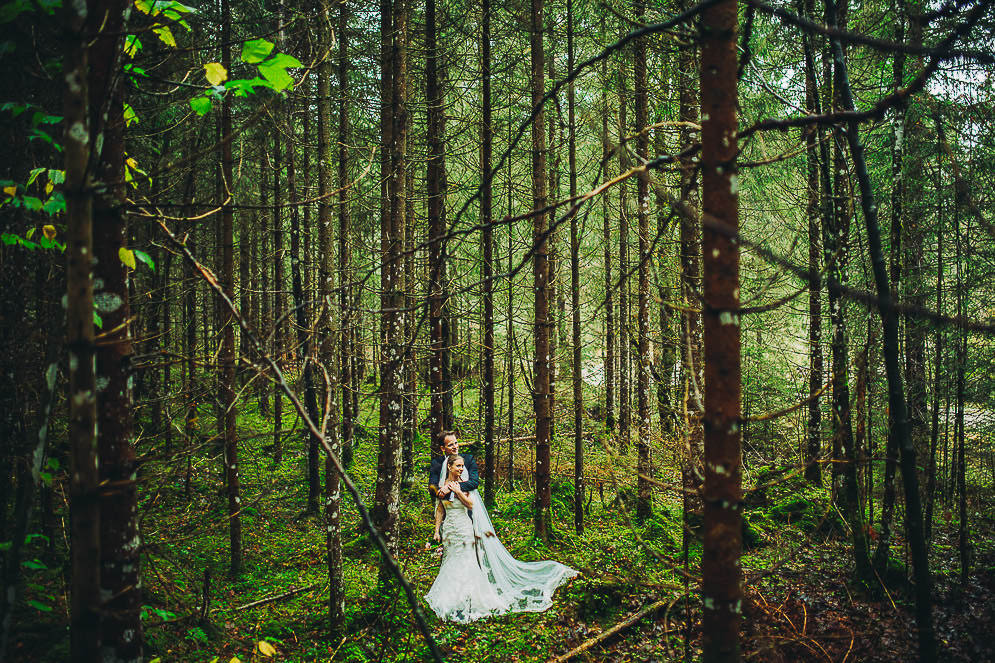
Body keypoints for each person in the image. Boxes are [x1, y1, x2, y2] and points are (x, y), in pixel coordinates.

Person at [425, 433, 578, 622]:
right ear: (443, 448)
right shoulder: (438, 465)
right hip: (450, 524)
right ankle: (453, 594)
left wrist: (457, 487)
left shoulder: (465, 462)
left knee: (470, 558)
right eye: (450, 445)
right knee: (452, 558)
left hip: (466, 519)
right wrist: (440, 498)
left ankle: (472, 596)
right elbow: (434, 493)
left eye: (456, 443)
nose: (455, 447)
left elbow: (474, 483)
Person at [425, 454, 509, 623]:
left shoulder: (464, 485)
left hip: (464, 527)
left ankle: (470, 598)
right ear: (449, 467)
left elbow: (471, 504)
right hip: (449, 529)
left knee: (466, 561)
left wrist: (457, 491)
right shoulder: (442, 486)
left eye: (463, 466)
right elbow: (440, 510)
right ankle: (452, 598)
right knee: (450, 561)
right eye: (458, 466)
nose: (462, 469)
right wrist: (436, 531)